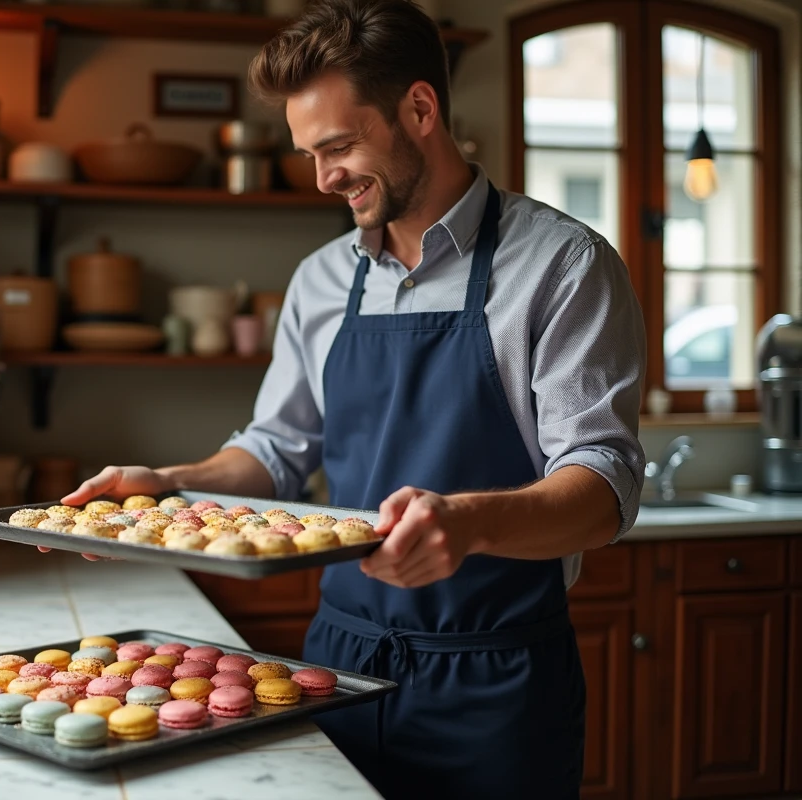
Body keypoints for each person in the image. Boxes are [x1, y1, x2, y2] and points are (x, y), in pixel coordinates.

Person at [56, 0, 646, 796]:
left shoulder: (563, 266)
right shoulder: (322, 278)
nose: (323, 178)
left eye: (338, 146)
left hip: (494, 675)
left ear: (420, 109)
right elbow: (277, 450)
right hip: (335, 662)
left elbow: (604, 485)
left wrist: (468, 524)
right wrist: (169, 483)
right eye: (310, 153)